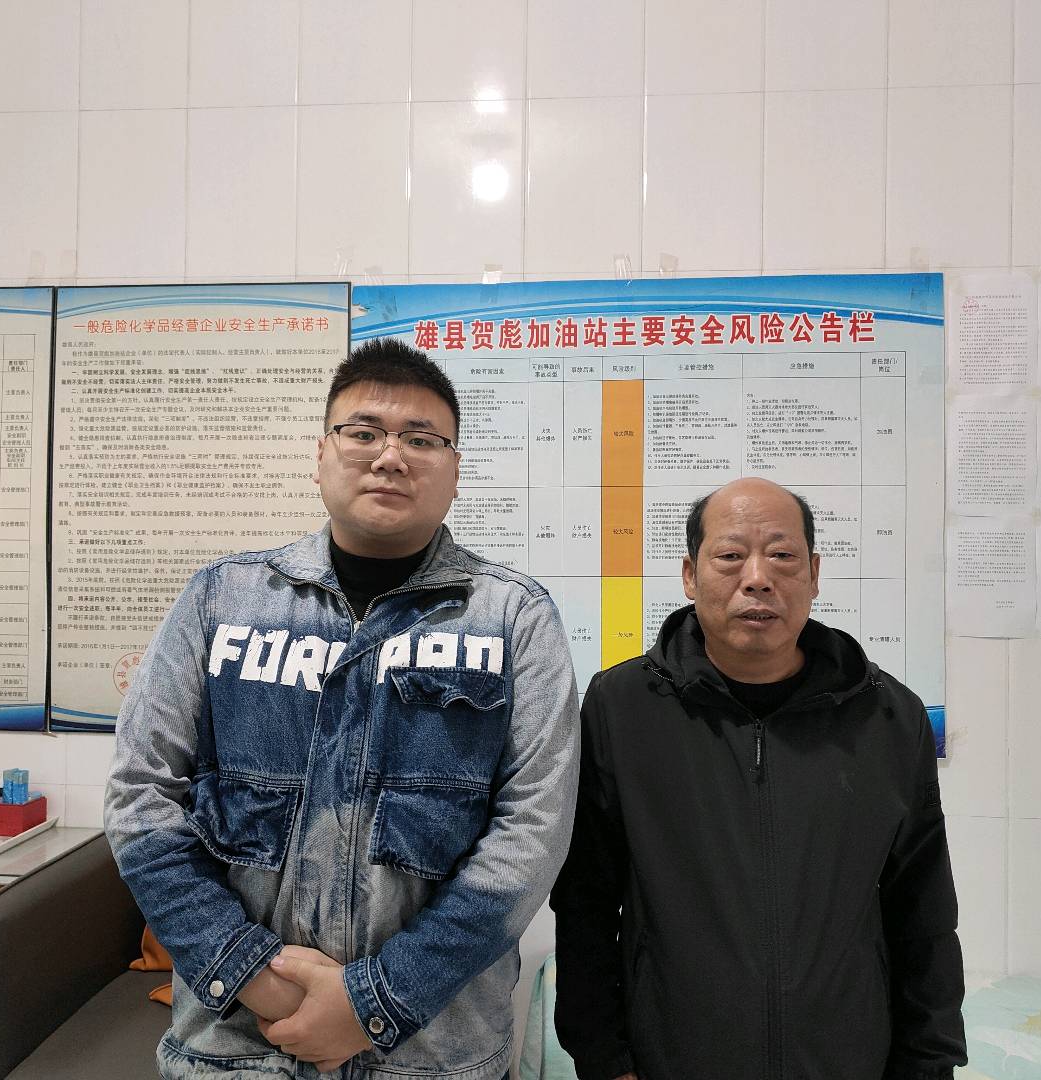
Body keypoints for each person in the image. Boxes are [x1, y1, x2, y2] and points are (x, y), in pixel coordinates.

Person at [105, 338, 579, 1080]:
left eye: (421, 439)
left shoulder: (513, 619)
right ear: (321, 455)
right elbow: (141, 800)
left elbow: (533, 835)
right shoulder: (222, 601)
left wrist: (375, 1002)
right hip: (236, 1053)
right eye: (364, 432)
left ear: (455, 471)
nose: (391, 457)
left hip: (430, 1061)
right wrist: (253, 976)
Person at [549, 477, 966, 1080]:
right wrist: (603, 1059)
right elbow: (585, 900)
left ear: (814, 574)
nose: (757, 577)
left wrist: (929, 1063)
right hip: (672, 1060)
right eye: (730, 555)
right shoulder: (622, 708)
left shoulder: (888, 717)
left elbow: (924, 913)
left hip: (846, 1061)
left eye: (782, 555)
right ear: (690, 575)